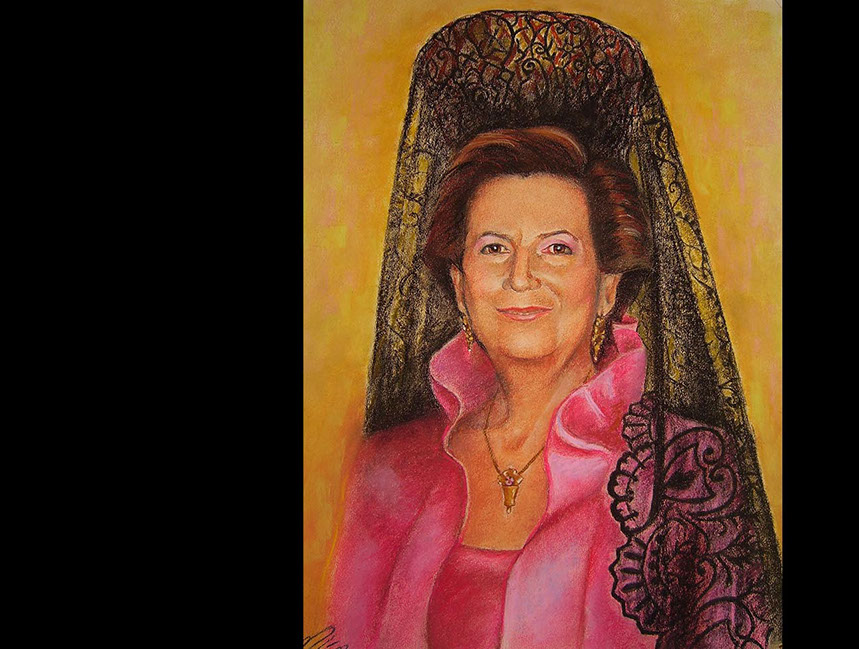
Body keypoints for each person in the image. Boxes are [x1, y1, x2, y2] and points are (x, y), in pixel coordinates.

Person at [327, 11, 781, 648]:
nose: (521, 276)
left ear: (608, 286)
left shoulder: (686, 473)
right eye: (493, 248)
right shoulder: (387, 469)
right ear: (459, 284)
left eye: (557, 249)